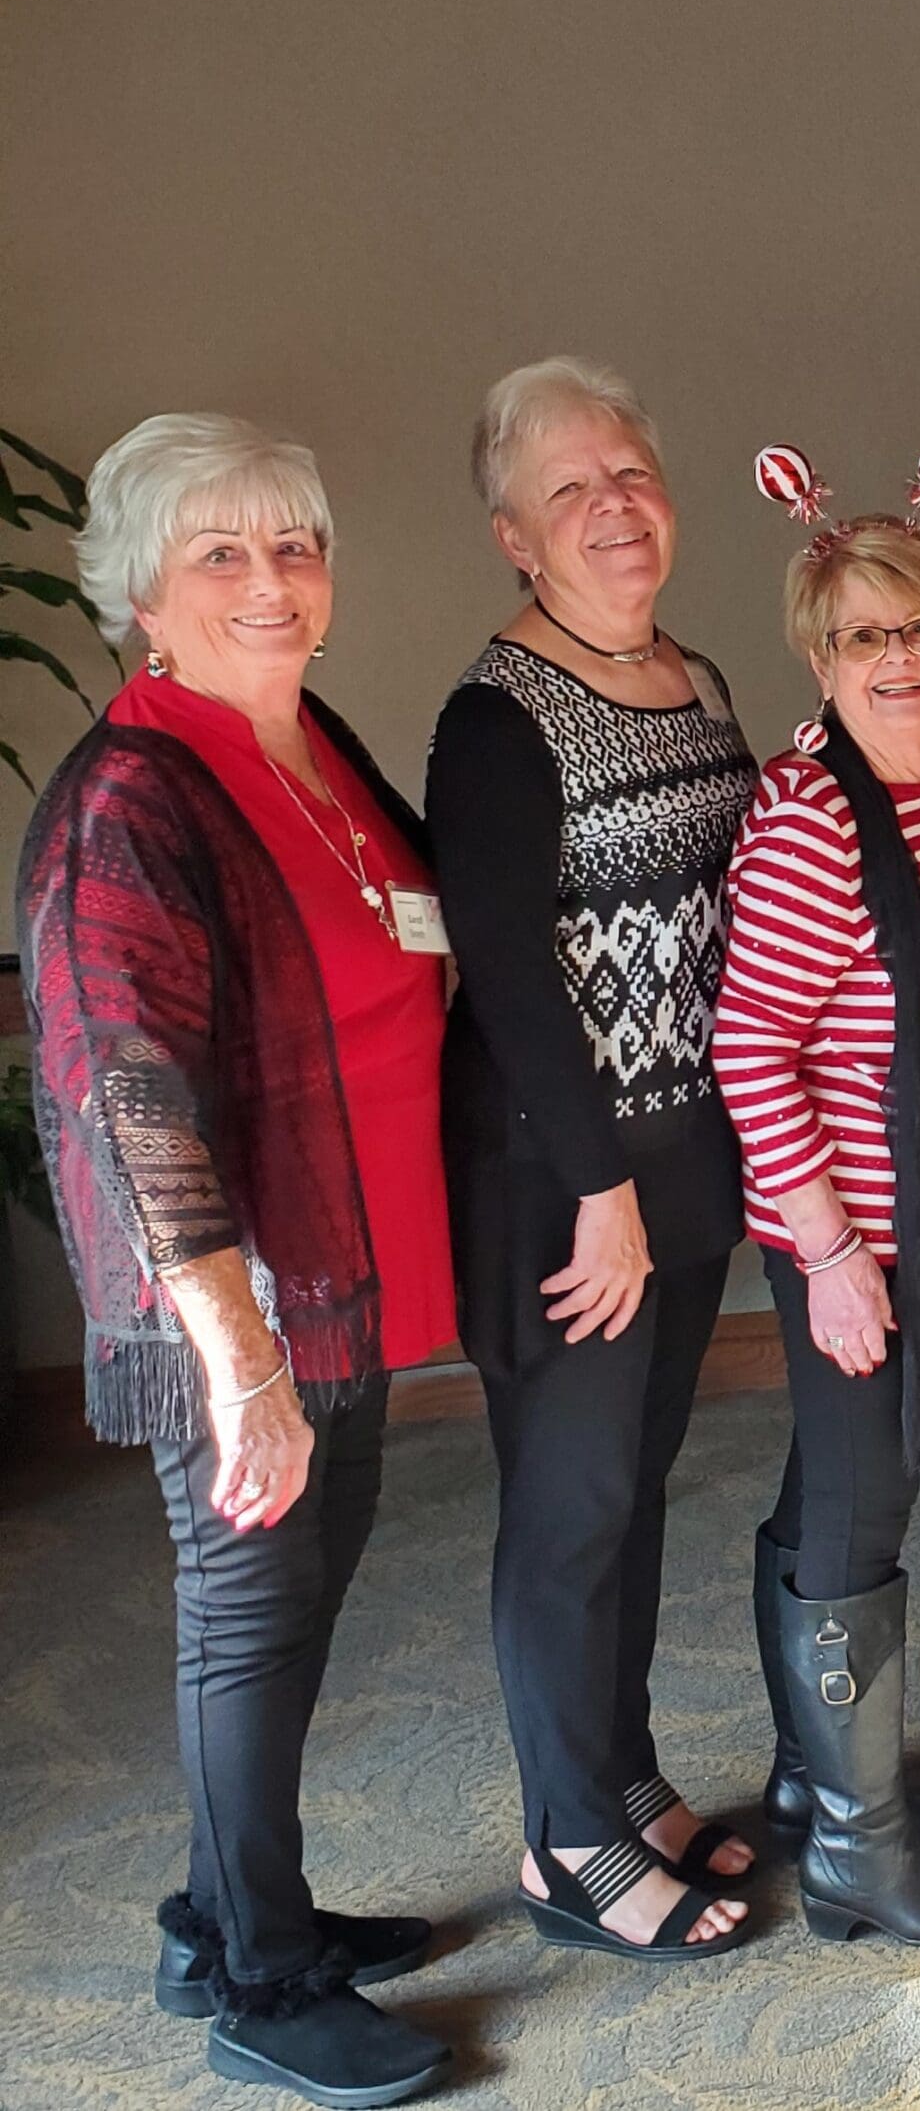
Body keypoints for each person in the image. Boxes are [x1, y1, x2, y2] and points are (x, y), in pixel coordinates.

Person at [18, 415, 452, 2104]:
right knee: (248, 1619)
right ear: (142, 592)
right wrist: (238, 1357)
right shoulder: (131, 796)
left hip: (347, 1272)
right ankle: (260, 1983)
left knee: (300, 1600)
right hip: (239, 1309)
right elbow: (131, 1094)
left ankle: (224, 1914)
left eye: (293, 544)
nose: (271, 580)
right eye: (220, 553)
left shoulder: (305, 739)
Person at [427, 358, 757, 1958]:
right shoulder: (495, 720)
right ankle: (566, 1839)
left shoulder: (698, 677)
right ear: (516, 536)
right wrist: (603, 1193)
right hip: (568, 1184)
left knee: (635, 1488)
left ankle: (621, 1779)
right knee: (568, 1507)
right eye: (571, 488)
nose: (613, 504)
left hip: (689, 1161)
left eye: (629, 470)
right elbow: (506, 976)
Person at [713, 509, 920, 1943]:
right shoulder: (816, 821)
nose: (897, 657)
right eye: (862, 636)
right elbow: (750, 1047)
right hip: (842, 1229)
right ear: (820, 659)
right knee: (861, 1504)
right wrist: (835, 1257)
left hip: (919, 1221)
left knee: (829, 1486)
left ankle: (809, 1777)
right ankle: (858, 1849)